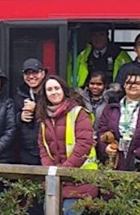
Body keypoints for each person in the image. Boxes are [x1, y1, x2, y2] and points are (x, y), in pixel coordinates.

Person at [36, 75, 98, 215]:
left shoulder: (78, 113)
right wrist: (51, 170)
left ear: (63, 90)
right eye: (49, 89)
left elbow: (84, 145)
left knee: (70, 211)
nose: (54, 92)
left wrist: (63, 171)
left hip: (80, 179)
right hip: (55, 181)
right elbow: (43, 147)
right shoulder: (44, 118)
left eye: (56, 88)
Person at [98, 68, 140, 171]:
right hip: (115, 162)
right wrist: (105, 148)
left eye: (138, 83)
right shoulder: (111, 106)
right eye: (129, 82)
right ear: (123, 85)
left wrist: (138, 155)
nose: (133, 86)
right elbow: (101, 130)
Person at [14, 58, 47, 165]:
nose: (31, 76)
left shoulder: (51, 91)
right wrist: (20, 117)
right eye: (27, 73)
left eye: (35, 72)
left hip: (48, 149)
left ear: (43, 73)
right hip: (26, 151)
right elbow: (12, 121)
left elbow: (57, 115)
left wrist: (37, 108)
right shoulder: (19, 94)